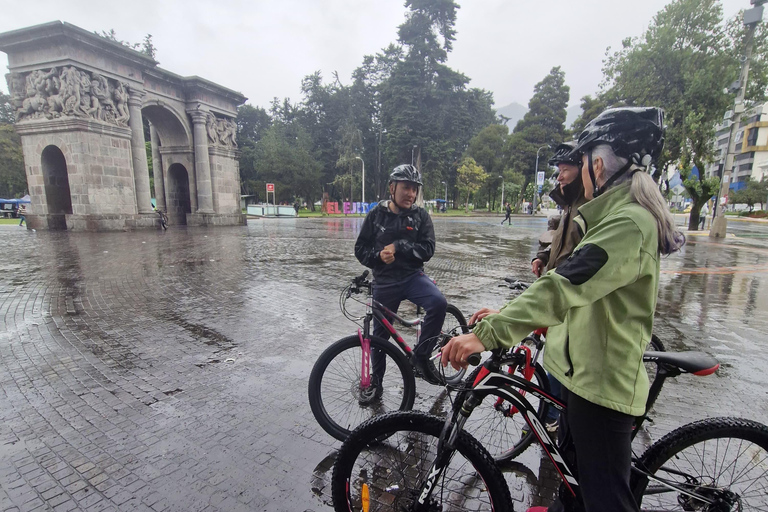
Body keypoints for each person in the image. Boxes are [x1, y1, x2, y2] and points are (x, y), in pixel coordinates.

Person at [441, 107, 684, 512]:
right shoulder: (610, 216)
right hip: (580, 377)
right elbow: (572, 296)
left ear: (598, 163)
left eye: (583, 158)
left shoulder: (629, 223)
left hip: (602, 389)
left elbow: (564, 287)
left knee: (605, 501)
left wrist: (489, 333)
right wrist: (513, 319)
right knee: (573, 491)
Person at [355, 164, 447, 399]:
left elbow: (428, 249)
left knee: (438, 303)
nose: (411, 194)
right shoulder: (376, 214)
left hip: (412, 277)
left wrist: (400, 246)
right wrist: (377, 257)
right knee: (379, 338)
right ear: (392, 187)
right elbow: (360, 249)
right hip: (384, 282)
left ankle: (422, 357)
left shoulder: (420, 216)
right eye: (406, 187)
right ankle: (376, 382)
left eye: (415, 189)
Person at [530, 141, 588, 432]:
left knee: (557, 357)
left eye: (566, 169)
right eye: (558, 171)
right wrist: (542, 257)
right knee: (554, 353)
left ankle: (552, 415)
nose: (560, 176)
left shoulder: (589, 205)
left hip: (570, 293)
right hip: (557, 286)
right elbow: (559, 241)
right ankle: (553, 413)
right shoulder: (570, 205)